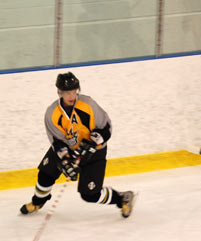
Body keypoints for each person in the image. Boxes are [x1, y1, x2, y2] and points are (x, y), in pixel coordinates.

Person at [20, 72, 137, 218]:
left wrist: (96, 140)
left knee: (90, 195)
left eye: (74, 91)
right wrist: (65, 159)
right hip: (70, 148)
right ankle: (38, 202)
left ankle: (122, 198)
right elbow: (57, 142)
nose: (71, 96)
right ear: (59, 92)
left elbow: (106, 127)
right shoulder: (52, 113)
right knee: (45, 173)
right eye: (68, 92)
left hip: (95, 151)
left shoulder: (88, 104)